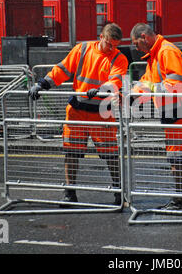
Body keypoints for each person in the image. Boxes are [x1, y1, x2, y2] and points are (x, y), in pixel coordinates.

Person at [28, 23, 129, 207]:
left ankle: (118, 192)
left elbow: (116, 80)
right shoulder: (82, 49)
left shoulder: (119, 58)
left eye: (116, 45)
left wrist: (100, 89)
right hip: (77, 110)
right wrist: (42, 84)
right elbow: (62, 70)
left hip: (101, 112)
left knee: (111, 155)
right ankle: (69, 194)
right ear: (101, 37)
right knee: (71, 152)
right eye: (109, 44)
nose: (112, 48)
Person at [130, 23, 182, 212]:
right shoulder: (157, 54)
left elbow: (174, 82)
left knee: (178, 158)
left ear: (144, 37)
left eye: (136, 43)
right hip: (179, 110)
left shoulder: (165, 52)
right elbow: (147, 82)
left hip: (179, 111)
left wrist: (149, 91)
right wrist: (132, 95)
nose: (136, 48)